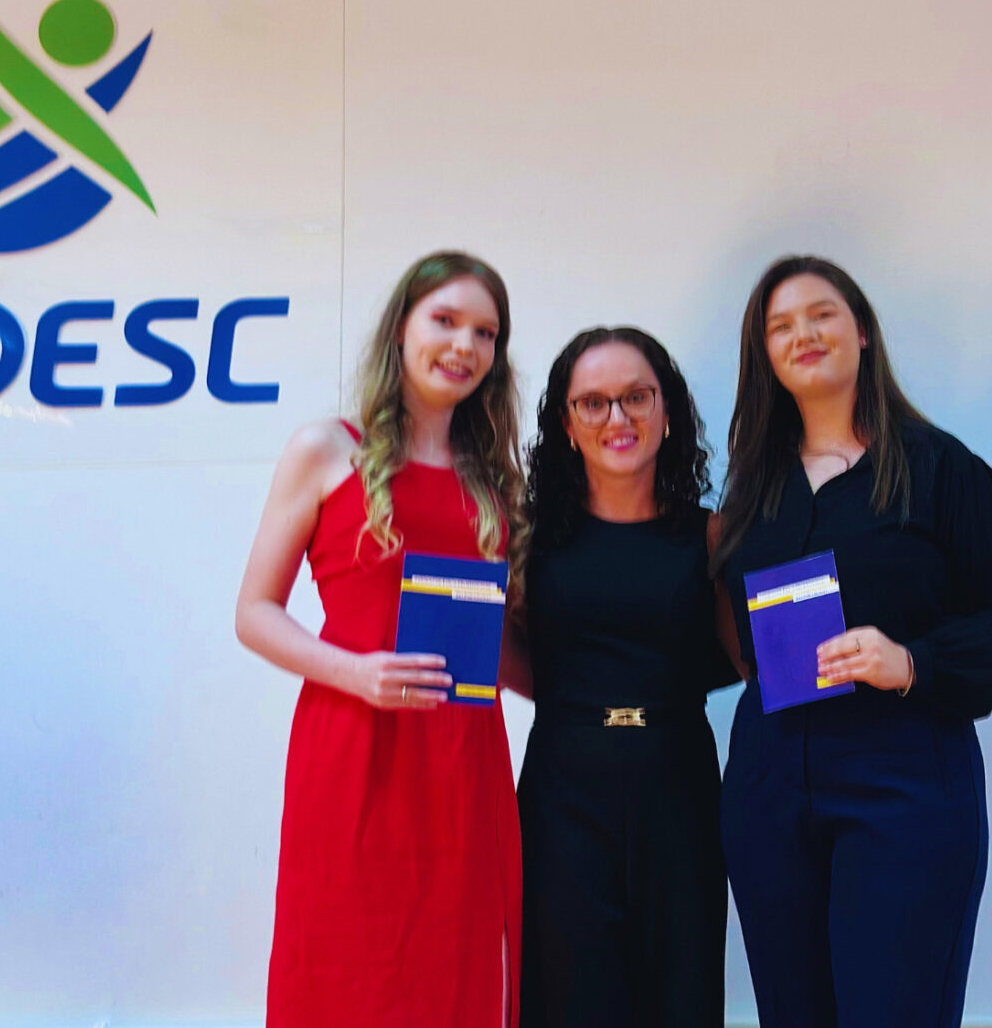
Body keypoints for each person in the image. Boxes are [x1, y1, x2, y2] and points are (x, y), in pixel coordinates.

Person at [711, 256, 992, 1028]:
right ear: (764, 355)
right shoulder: (753, 490)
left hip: (904, 786)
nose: (803, 333)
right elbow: (733, 635)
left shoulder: (941, 470)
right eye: (780, 326)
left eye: (821, 314)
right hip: (769, 792)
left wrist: (912, 663)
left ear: (861, 330)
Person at [235, 251, 526, 1028]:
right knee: (346, 967)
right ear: (401, 328)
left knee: (457, 976)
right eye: (445, 320)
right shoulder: (326, 449)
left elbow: (500, 644)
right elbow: (254, 612)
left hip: (466, 762)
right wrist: (355, 673)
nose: (464, 345)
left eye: (485, 332)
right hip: (354, 746)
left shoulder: (492, 481)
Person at [505, 326, 735, 1028]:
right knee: (567, 1002)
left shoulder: (713, 535)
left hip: (681, 792)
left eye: (637, 397)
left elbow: (748, 661)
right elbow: (516, 662)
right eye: (593, 402)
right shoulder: (525, 540)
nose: (617, 418)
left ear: (668, 412)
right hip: (563, 797)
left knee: (683, 999)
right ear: (566, 424)